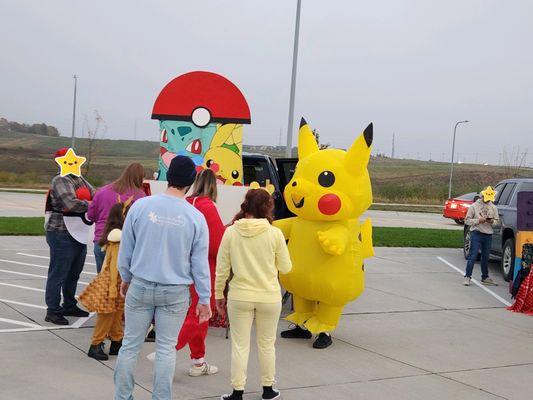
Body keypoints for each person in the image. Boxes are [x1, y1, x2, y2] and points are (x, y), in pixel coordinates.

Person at [114, 155, 212, 400]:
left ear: (168, 176)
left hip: (140, 284)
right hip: (175, 291)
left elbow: (127, 248)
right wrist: (204, 297)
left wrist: (125, 277)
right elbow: (199, 263)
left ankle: (123, 396)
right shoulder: (195, 217)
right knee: (166, 349)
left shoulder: (141, 207)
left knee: (129, 346)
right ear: (191, 181)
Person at [215, 189, 292, 400]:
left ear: (246, 206)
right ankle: (268, 389)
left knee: (240, 345)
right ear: (267, 207)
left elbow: (222, 268)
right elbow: (285, 268)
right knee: (267, 344)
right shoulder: (275, 234)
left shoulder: (231, 232)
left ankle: (237, 391)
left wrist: (218, 295)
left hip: (240, 295)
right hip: (269, 296)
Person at [175, 169, 226, 376]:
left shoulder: (185, 204)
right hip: (205, 267)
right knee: (201, 311)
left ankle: (198, 360)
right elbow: (216, 244)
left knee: (197, 313)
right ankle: (171, 348)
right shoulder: (207, 206)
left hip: (180, 265)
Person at [45, 147, 95, 325]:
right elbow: (70, 203)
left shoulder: (79, 179)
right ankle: (52, 310)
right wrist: (93, 205)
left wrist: (94, 202)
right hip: (60, 232)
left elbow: (94, 194)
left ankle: (69, 305)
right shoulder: (60, 180)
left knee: (74, 273)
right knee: (58, 273)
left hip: (78, 233)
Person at [80, 200, 132, 361]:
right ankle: (95, 344)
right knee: (107, 315)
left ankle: (117, 341)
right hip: (112, 283)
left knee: (116, 314)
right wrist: (113, 288)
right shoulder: (117, 240)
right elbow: (116, 266)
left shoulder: (115, 235)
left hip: (113, 283)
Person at [87, 163, 146, 273]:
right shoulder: (140, 196)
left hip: (102, 240)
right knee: (121, 284)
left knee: (103, 283)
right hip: (125, 244)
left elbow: (90, 215)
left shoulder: (102, 191)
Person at [464, 186, 499, 286]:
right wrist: (478, 221)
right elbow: (467, 220)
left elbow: (497, 222)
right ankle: (467, 277)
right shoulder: (474, 206)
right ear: (483, 195)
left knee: (485, 257)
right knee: (473, 255)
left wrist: (492, 221)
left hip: (488, 235)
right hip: (476, 232)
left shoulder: (493, 207)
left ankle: (485, 277)